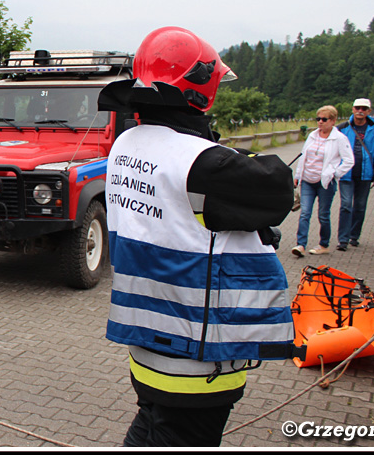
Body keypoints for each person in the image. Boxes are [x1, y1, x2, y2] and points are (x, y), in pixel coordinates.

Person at [98, 26, 299, 447]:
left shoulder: (126, 144)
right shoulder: (202, 162)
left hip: (146, 343)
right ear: (201, 89)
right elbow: (275, 187)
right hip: (198, 357)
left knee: (151, 427)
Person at [291, 106, 355, 256]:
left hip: (325, 182)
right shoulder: (313, 135)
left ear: (332, 121)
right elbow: (303, 156)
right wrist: (298, 176)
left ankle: (324, 244)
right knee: (305, 213)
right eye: (318, 119)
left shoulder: (339, 138)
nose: (320, 122)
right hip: (308, 179)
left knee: (323, 214)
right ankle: (300, 245)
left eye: (324, 119)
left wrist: (335, 173)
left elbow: (349, 160)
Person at [336, 98, 374, 251]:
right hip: (346, 173)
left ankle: (354, 236)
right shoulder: (342, 128)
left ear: (368, 111)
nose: (360, 111)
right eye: (358, 108)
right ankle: (342, 239)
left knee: (360, 206)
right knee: (345, 205)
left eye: (364, 109)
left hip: (365, 173)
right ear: (352, 109)